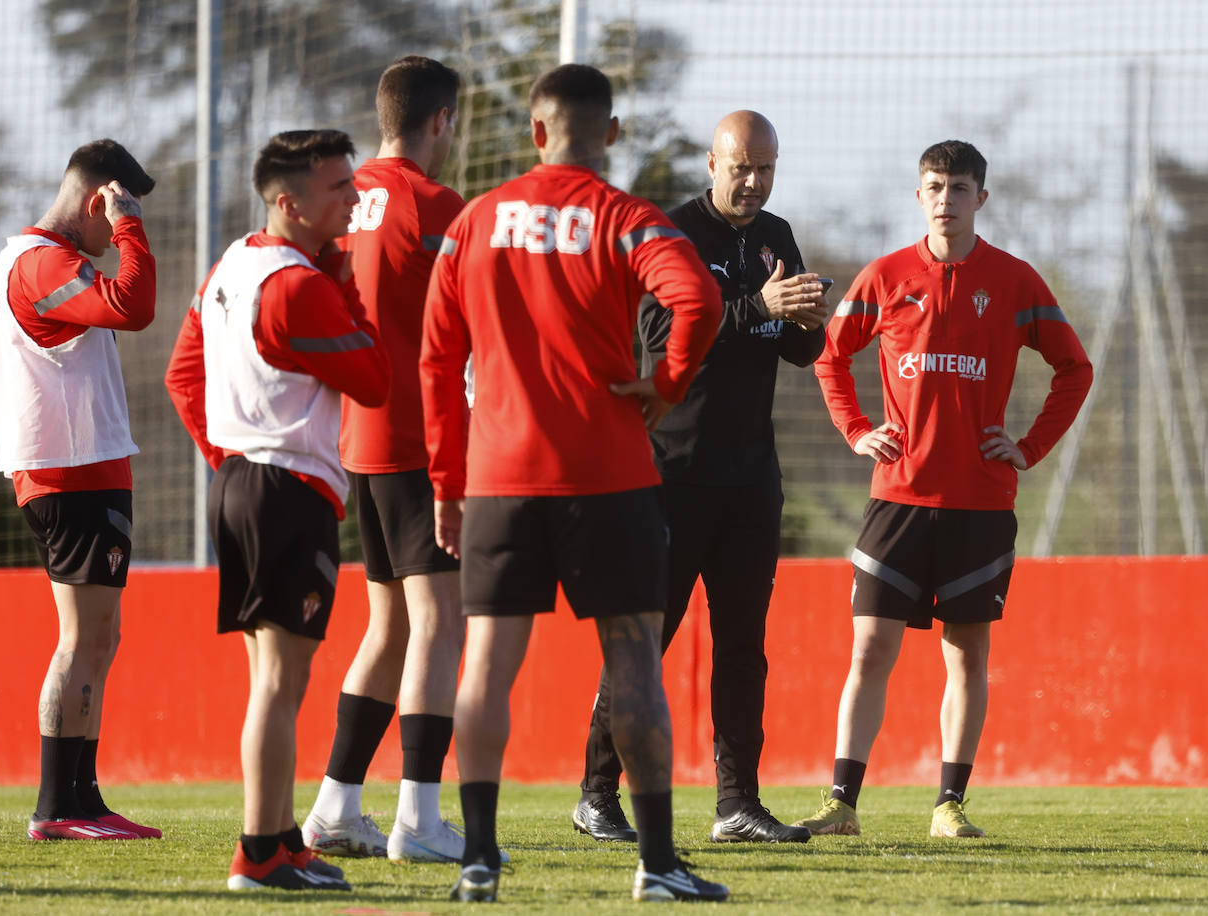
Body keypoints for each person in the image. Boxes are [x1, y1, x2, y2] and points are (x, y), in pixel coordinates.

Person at [420, 63, 729, 904]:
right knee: (633, 657)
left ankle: (478, 858)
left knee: (487, 662)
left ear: (535, 132)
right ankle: (657, 864)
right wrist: (666, 384)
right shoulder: (626, 219)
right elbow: (700, 300)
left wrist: (447, 481)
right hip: (608, 474)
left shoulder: (475, 221)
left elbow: (437, 361)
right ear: (612, 133)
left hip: (499, 476)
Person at [795, 140, 1093, 839]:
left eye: (959, 188)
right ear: (919, 194)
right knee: (870, 651)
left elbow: (1074, 368)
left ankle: (949, 805)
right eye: (934, 186)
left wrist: (1027, 448)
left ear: (981, 198)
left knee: (967, 654)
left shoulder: (1015, 281)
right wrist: (856, 429)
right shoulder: (886, 275)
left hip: (979, 505)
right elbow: (830, 356)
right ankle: (841, 804)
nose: (946, 199)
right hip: (897, 499)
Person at [572, 110, 826, 846]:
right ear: (713, 164)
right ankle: (596, 795)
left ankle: (737, 805)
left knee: (743, 647)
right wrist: (756, 307)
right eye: (742, 167)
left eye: (766, 169)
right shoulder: (672, 231)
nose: (754, 182)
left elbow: (799, 352)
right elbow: (659, 338)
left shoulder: (776, 235)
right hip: (673, 473)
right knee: (645, 640)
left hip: (752, 479)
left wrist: (808, 319)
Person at [164, 129, 390, 891]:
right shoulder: (299, 284)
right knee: (278, 683)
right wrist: (345, 280)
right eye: (339, 186)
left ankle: (283, 839)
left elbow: (182, 375)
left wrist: (229, 459)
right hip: (284, 490)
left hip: (244, 484)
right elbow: (375, 377)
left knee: (278, 679)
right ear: (290, 202)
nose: (354, 197)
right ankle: (260, 853)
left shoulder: (234, 262)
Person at [300, 55, 475, 866]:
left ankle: (334, 808)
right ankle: (419, 819)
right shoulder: (438, 206)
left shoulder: (343, 200)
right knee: (439, 622)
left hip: (355, 441)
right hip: (418, 440)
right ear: (441, 121)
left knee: (392, 625)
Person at [0, 139, 161, 841]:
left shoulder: (47, 259)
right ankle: (58, 805)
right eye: (115, 212)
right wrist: (132, 230)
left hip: (84, 467)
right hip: (69, 470)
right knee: (82, 638)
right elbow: (134, 304)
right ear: (99, 201)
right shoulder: (41, 262)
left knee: (100, 636)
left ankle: (83, 799)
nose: (114, 233)